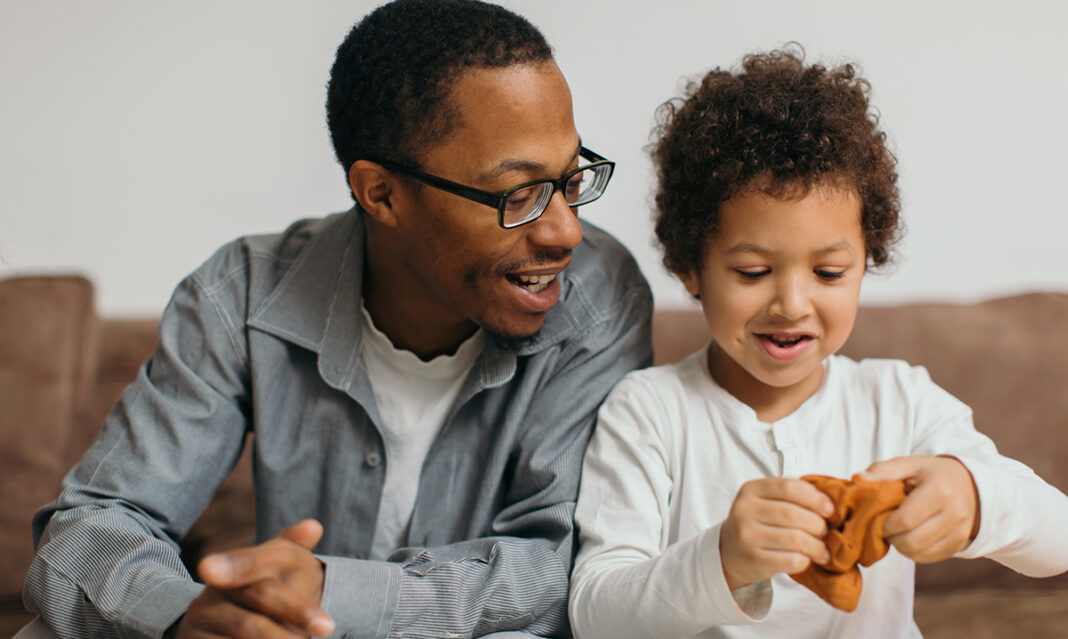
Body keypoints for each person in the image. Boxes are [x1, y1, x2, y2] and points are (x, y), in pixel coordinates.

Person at [20, 1, 653, 637]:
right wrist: (188, 618)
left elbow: (561, 567)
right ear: (380, 193)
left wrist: (334, 592)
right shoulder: (241, 295)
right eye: (519, 194)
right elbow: (90, 529)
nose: (566, 230)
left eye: (570, 178)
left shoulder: (598, 297)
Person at [567, 48, 1068, 638]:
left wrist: (976, 496)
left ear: (866, 262)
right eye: (753, 272)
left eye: (829, 273)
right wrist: (720, 560)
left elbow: (1057, 539)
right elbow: (595, 613)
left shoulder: (900, 400)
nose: (792, 304)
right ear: (690, 268)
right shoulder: (647, 412)